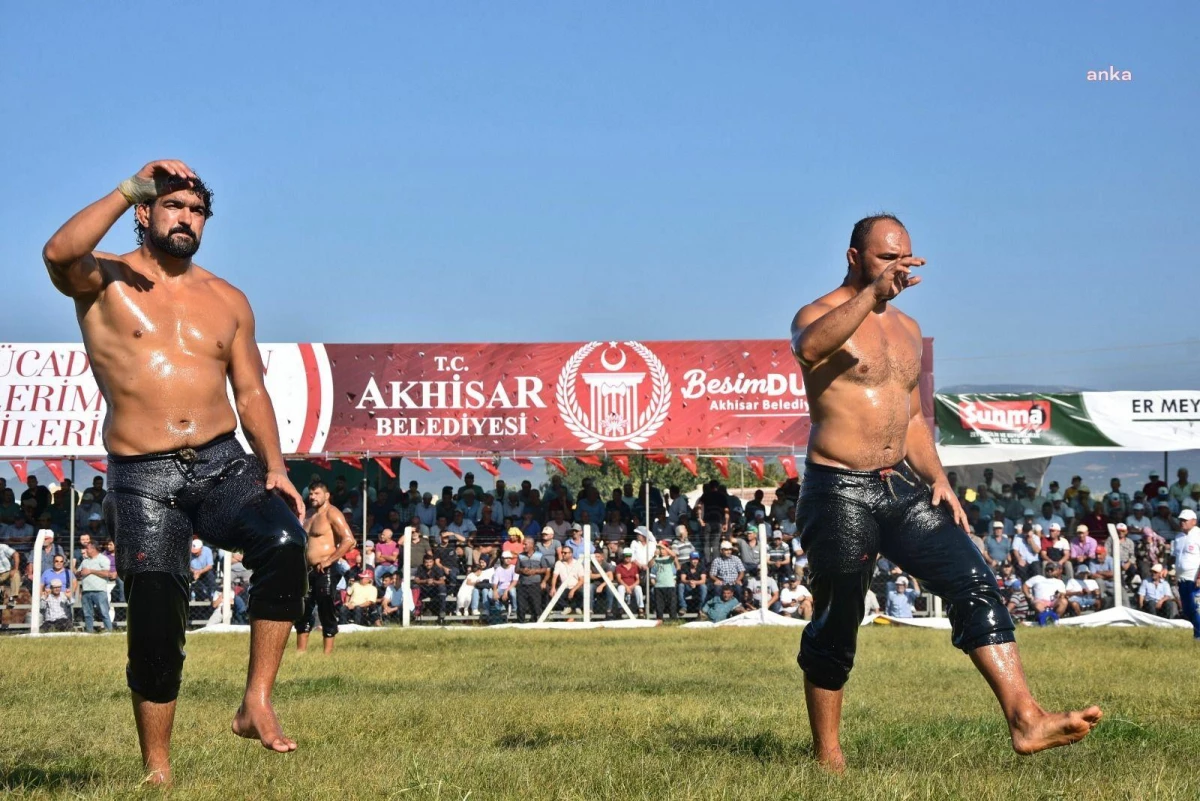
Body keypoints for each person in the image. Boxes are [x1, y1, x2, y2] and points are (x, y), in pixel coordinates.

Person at [788, 214, 1099, 770]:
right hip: (837, 488)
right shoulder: (819, 314)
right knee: (838, 619)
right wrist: (869, 295)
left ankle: (1026, 719)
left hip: (900, 485)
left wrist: (939, 479)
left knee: (972, 576)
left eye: (905, 259)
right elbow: (810, 350)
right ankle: (827, 757)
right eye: (886, 258)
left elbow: (910, 421)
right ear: (854, 257)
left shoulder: (906, 330)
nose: (898, 269)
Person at [43, 158, 309, 781]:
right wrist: (130, 184)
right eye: (173, 207)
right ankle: (157, 771)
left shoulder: (227, 299)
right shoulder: (103, 279)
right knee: (158, 619)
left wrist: (276, 466)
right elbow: (58, 253)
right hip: (144, 475)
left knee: (284, 538)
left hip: (222, 463)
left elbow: (251, 393)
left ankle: (256, 702)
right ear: (145, 212)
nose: (186, 219)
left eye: (196, 211)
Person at [295, 483, 353, 654]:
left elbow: (349, 540)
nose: (313, 496)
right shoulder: (309, 515)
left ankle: (327, 653)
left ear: (327, 495)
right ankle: (300, 651)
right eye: (311, 493)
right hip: (307, 569)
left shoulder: (332, 513)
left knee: (325, 605)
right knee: (303, 606)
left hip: (325, 568)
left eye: (317, 493)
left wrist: (329, 560)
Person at [1173, 509, 1200, 640]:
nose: (1182, 522)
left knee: (1197, 608)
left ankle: (1198, 637)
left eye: (1185, 520)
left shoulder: (1199, 535)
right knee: (1188, 610)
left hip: (1195, 579)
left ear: (1194, 521)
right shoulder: (1178, 537)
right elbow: (1176, 557)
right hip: (1182, 579)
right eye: (1180, 520)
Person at [78, 541, 116, 632]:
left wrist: (91, 571)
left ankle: (109, 631)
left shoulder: (103, 559)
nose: (85, 550)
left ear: (93, 549)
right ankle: (89, 631)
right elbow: (78, 572)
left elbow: (106, 573)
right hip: (86, 590)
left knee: (104, 612)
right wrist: (80, 572)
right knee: (87, 614)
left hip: (99, 590)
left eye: (87, 548)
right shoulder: (85, 561)